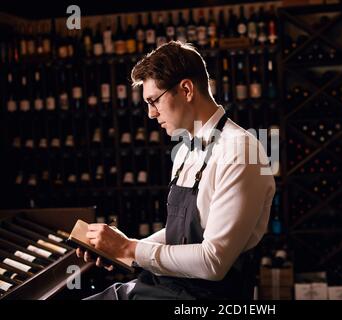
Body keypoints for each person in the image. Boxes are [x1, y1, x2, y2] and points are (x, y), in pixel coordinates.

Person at [76, 41, 275, 300]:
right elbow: (178, 236)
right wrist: (120, 250)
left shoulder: (241, 151)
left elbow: (213, 261)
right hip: (168, 286)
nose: (150, 113)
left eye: (154, 100)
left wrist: (131, 248)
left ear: (186, 89)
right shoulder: (184, 151)